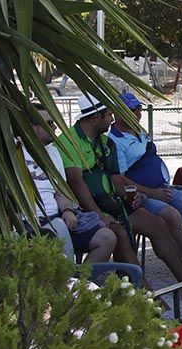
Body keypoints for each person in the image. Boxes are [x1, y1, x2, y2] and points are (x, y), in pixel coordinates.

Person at [56, 93, 182, 282]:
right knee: (119, 233)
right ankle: (146, 296)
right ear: (97, 117)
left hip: (111, 202)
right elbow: (76, 183)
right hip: (85, 208)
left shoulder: (105, 142)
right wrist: (98, 214)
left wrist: (132, 195)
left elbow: (117, 179)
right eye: (110, 115)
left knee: (158, 225)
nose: (113, 119)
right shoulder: (68, 141)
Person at [109, 92, 182, 273]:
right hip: (144, 194)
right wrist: (151, 193)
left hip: (164, 188)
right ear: (118, 113)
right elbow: (120, 178)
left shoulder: (140, 130)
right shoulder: (113, 141)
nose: (137, 113)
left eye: (138, 109)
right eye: (132, 110)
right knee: (172, 216)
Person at [24, 106, 116, 263]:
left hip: (58, 216)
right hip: (28, 222)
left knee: (107, 238)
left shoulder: (54, 151)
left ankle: (79, 284)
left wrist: (67, 210)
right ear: (33, 127)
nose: (54, 127)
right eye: (49, 123)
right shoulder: (13, 151)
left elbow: (61, 191)